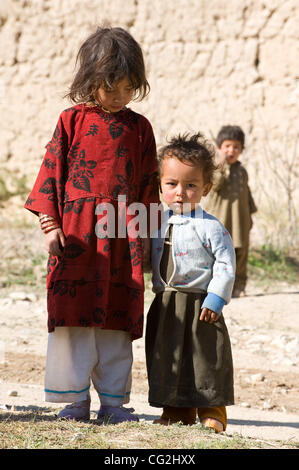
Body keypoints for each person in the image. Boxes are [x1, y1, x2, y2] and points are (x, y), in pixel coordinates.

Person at [24, 26, 159, 423]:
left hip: (122, 239)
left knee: (117, 319)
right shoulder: (70, 121)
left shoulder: (141, 129)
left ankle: (114, 403)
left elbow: (149, 185)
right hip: (77, 240)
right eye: (111, 88)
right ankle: (75, 401)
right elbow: (51, 173)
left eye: (128, 89)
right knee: (72, 317)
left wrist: (151, 240)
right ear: (90, 82)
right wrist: (51, 226)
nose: (120, 97)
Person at [145, 133, 236, 433]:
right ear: (160, 184)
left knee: (205, 358)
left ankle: (213, 411)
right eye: (172, 184)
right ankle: (176, 410)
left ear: (206, 187)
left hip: (201, 303)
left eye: (191, 185)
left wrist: (216, 299)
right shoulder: (156, 222)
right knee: (169, 356)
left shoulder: (211, 226)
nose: (180, 192)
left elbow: (225, 264)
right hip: (167, 302)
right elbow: (148, 257)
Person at [205, 125, 257, 297]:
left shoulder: (242, 171)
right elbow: (216, 185)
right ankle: (216, 286)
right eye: (227, 146)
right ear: (220, 148)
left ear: (242, 149)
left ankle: (239, 285)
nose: (231, 150)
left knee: (240, 254)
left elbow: (247, 193)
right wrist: (221, 165)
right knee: (219, 253)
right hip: (221, 220)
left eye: (236, 147)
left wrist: (250, 215)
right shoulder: (216, 170)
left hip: (240, 220)